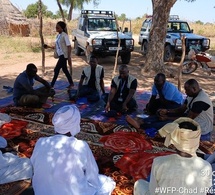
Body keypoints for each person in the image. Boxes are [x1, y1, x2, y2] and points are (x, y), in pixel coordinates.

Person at [30, 105, 116, 195]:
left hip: (41, 192)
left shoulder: (41, 142)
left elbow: (33, 167)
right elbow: (92, 176)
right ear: (75, 123)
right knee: (107, 182)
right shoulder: (80, 146)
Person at [133, 117, 212, 195]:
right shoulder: (206, 166)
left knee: (139, 184)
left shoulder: (159, 162)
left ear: (174, 139)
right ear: (196, 139)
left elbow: (153, 192)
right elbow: (205, 190)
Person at [126, 79, 213, 141]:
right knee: (160, 114)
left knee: (168, 124)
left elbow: (187, 120)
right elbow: (181, 109)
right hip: (188, 118)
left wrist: (167, 118)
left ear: (194, 89)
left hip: (200, 126)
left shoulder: (201, 101)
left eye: (187, 90)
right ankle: (141, 122)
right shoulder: (193, 94)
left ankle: (143, 127)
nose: (185, 92)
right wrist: (167, 112)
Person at [44, 21, 74, 89]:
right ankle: (71, 83)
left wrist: (69, 56)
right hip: (60, 55)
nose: (56, 28)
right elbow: (57, 46)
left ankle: (51, 85)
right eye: (56, 27)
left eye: (58, 27)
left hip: (64, 55)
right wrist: (48, 47)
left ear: (62, 28)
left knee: (56, 69)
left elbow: (69, 46)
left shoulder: (64, 35)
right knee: (65, 70)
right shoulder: (58, 36)